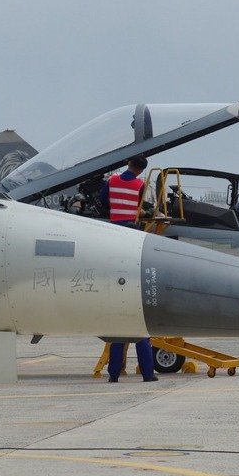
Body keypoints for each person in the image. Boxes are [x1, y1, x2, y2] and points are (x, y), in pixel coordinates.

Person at [100, 156, 157, 383]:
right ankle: (148, 375)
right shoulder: (140, 185)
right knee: (141, 333)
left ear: (128, 164)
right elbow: (141, 208)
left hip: (114, 229)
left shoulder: (112, 180)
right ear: (142, 169)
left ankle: (113, 375)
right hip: (131, 230)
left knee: (118, 332)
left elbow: (103, 201)